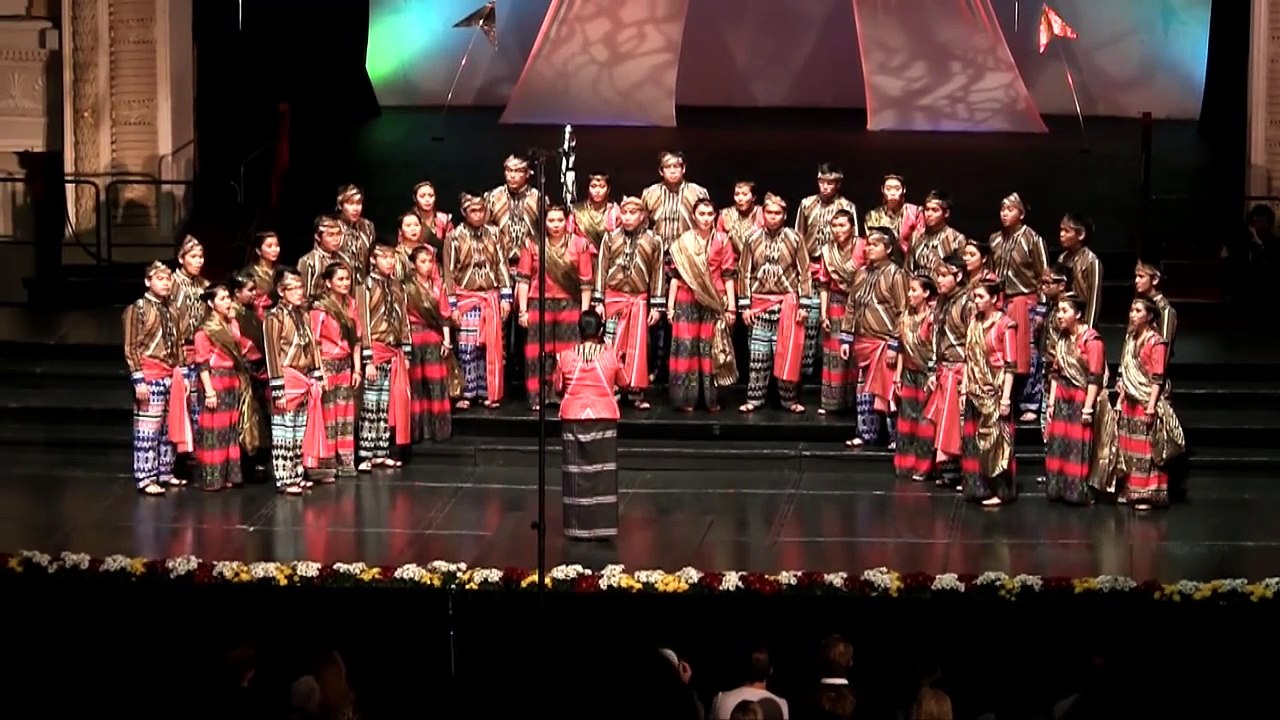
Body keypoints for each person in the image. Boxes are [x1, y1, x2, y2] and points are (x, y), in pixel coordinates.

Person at [554, 310, 627, 540]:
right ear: (601, 331)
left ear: (579, 330)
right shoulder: (610, 355)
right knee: (603, 475)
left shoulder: (565, 356)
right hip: (604, 417)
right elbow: (624, 382)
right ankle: (602, 528)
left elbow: (557, 386)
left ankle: (577, 528)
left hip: (573, 418)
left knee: (575, 476)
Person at [738, 193, 813, 414]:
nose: (772, 217)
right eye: (769, 212)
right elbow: (744, 273)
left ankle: (789, 400)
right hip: (760, 305)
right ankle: (755, 399)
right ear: (763, 213)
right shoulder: (752, 239)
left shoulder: (795, 238)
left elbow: (805, 273)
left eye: (777, 213)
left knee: (786, 355)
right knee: (758, 357)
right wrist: (745, 306)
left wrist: (804, 305)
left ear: (785, 215)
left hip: (786, 306)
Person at [515, 205, 593, 410]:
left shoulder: (580, 244)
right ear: (544, 222)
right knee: (538, 352)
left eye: (560, 220)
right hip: (539, 304)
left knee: (567, 353)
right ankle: (538, 396)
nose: (556, 225)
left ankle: (565, 395)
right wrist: (523, 310)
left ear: (567, 221)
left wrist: (584, 313)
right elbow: (523, 279)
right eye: (551, 221)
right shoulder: (532, 244)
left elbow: (586, 283)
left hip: (569, 305)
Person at [593, 195, 665, 410]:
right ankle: (611, 389)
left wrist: (657, 306)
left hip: (638, 301)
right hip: (614, 298)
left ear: (642, 215)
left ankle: (635, 392)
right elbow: (601, 269)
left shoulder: (654, 240)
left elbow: (658, 274)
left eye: (633, 213)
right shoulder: (610, 238)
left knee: (637, 347)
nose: (628, 217)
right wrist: (598, 300)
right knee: (610, 346)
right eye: (624, 212)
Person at [1113, 297, 1185, 510]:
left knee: (1146, 449)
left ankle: (1147, 494)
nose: (1132, 314)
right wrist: (1120, 399)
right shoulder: (1131, 338)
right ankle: (1129, 489)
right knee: (1128, 447)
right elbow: (1126, 373)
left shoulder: (1156, 343)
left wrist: (1152, 405)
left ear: (1150, 315)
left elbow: (1157, 378)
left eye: (1137, 310)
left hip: (1146, 401)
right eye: (1131, 310)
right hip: (1129, 402)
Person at [839, 228, 909, 447]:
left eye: (875, 245)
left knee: (887, 394)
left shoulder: (896, 274)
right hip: (863, 342)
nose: (869, 248)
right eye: (867, 244)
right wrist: (847, 337)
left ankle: (895, 437)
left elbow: (904, 311)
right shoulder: (861, 273)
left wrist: (894, 344)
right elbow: (851, 306)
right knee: (864, 392)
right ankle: (866, 434)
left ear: (888, 249)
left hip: (884, 344)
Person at [667, 197, 738, 411]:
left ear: (715, 215)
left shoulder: (723, 240)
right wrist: (670, 307)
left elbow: (728, 276)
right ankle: (686, 399)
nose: (706, 219)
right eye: (701, 214)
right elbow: (676, 277)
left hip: (713, 299)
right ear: (693, 216)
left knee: (710, 349)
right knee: (686, 348)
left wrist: (731, 307)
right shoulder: (683, 241)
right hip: (686, 297)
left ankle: (710, 399)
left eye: (710, 214)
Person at [265, 267, 331, 495]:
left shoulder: (303, 314)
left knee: (298, 431)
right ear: (281, 291)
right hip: (287, 378)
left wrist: (317, 375)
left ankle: (296, 473)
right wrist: (278, 390)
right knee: (284, 431)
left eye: (301, 287)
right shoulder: (274, 317)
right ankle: (284, 478)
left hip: (303, 378)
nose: (299, 292)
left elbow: (312, 347)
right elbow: (272, 353)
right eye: (293, 288)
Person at [445, 193, 512, 410]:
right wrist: (452, 305)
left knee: (490, 348)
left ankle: (487, 391)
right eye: (473, 211)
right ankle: (466, 392)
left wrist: (505, 297)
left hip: (490, 298)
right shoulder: (454, 237)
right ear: (464, 213)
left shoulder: (494, 233)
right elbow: (449, 273)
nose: (478, 215)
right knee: (467, 348)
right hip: (466, 299)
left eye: (481, 211)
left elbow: (501, 265)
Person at [123, 261, 184, 495]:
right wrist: (138, 379)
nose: (166, 283)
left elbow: (178, 343)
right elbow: (131, 346)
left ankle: (165, 471)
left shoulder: (173, 309)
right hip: (150, 374)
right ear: (148, 281)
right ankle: (146, 477)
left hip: (171, 374)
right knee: (148, 427)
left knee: (169, 426)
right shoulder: (137, 309)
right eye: (160, 279)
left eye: (168, 278)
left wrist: (183, 372)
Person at [192, 285, 261, 491]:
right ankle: (213, 478)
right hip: (214, 381)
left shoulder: (232, 324)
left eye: (228, 297)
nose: (228, 301)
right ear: (211, 304)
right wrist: (210, 391)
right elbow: (202, 364)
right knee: (214, 430)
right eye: (222, 298)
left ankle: (231, 475)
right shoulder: (205, 330)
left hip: (232, 379)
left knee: (231, 429)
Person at [1044, 293, 1108, 505]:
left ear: (1078, 313)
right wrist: (1051, 403)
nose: (1059, 316)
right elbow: (1056, 373)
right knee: (1059, 444)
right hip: (1062, 395)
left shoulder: (1092, 340)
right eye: (1059, 311)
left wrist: (1088, 408)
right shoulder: (1062, 339)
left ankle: (1077, 491)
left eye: (1065, 311)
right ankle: (1058, 488)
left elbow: (1094, 376)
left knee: (1077, 445)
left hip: (1081, 396)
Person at [796, 163, 859, 378]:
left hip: (840, 273)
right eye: (822, 182)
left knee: (837, 327)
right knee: (809, 323)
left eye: (830, 182)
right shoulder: (806, 204)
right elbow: (799, 240)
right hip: (812, 267)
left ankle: (836, 379)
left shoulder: (847, 207)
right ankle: (805, 376)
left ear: (838, 183)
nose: (825, 187)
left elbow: (855, 242)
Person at [358, 240, 413, 471]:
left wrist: (406, 350)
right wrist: (367, 359)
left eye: (392, 258)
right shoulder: (365, 286)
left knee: (385, 404)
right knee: (371, 405)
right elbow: (364, 323)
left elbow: (404, 320)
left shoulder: (398, 286)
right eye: (384, 257)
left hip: (393, 351)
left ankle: (381, 451)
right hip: (376, 350)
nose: (389, 262)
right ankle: (365, 454)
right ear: (373, 260)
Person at [961, 280, 1017, 506]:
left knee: (997, 442)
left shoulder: (1006, 325)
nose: (976, 302)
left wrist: (1005, 399)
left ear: (994, 299)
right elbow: (969, 358)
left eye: (981, 297)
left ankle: (1001, 490)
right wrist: (965, 385)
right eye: (974, 297)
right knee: (974, 441)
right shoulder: (974, 322)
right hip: (975, 389)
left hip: (996, 388)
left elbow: (1010, 364)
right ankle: (978, 487)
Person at [990, 193, 1048, 404]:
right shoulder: (995, 239)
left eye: (1010, 210)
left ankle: (1030, 400)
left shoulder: (1033, 239)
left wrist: (1041, 307)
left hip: (1026, 300)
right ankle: (1007, 396)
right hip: (1003, 300)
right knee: (1006, 350)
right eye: (1002, 210)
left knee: (1028, 353)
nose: (1005, 214)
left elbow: (1044, 276)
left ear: (1021, 214)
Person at [309, 262, 362, 477]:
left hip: (346, 363)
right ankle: (327, 461)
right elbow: (314, 342)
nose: (345, 283)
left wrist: (357, 369)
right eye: (340, 279)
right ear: (328, 282)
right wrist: (319, 372)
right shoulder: (320, 308)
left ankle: (346, 460)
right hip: (327, 363)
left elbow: (357, 340)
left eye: (347, 279)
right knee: (328, 413)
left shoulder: (351, 304)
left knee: (346, 413)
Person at [405, 245, 455, 442]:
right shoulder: (406, 286)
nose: (427, 266)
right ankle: (417, 431)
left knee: (437, 384)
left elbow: (444, 315)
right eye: (422, 262)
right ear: (414, 264)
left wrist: (447, 341)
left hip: (434, 337)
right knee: (416, 385)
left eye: (430, 261)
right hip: (413, 337)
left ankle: (439, 431)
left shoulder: (438, 285)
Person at [894, 275, 937, 481]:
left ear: (926, 293)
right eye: (909, 290)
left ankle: (923, 466)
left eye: (914, 290)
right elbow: (902, 347)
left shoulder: (932, 318)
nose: (910, 294)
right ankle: (906, 464)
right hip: (909, 373)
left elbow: (936, 350)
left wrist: (933, 374)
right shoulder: (905, 317)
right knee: (907, 418)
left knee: (925, 420)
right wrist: (897, 375)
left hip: (927, 375)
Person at [817, 210, 860, 416]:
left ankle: (856, 402)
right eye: (834, 226)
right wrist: (823, 313)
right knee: (834, 352)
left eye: (843, 225)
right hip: (835, 303)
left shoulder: (862, 246)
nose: (838, 230)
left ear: (852, 226)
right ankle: (833, 402)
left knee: (855, 352)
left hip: (859, 305)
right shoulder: (827, 250)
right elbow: (824, 283)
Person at [1058, 212, 1103, 327]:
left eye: (1067, 231)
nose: (1061, 234)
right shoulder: (1062, 259)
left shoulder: (1091, 261)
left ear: (1081, 234)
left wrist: (1088, 329)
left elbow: (1094, 300)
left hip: (1082, 322)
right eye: (1061, 230)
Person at [905, 191, 966, 276]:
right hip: (918, 284)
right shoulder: (916, 236)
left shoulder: (956, 239)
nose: (929, 214)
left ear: (946, 213)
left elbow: (962, 273)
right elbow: (908, 270)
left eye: (935, 210)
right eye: (927, 210)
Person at [864, 174, 923, 257]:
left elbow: (920, 242)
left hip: (909, 260)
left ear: (904, 190)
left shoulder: (915, 212)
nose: (892, 193)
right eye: (888, 189)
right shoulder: (873, 215)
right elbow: (870, 243)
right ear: (882, 189)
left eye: (897, 189)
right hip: (881, 260)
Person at [570, 172, 621, 251]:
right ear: (588, 188)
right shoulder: (577, 211)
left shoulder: (615, 211)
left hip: (609, 256)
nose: (597, 191)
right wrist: (579, 241)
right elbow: (568, 236)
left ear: (608, 189)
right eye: (593, 186)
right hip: (584, 256)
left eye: (602, 187)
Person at [336, 184, 376, 283]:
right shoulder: (333, 228)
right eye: (350, 203)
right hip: (341, 284)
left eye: (358, 203)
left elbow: (373, 256)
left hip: (364, 285)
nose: (355, 208)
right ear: (340, 205)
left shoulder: (367, 226)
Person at [410, 180, 454, 256]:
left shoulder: (444, 219)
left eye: (431, 196)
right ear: (415, 198)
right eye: (422, 196)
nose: (427, 200)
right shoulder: (409, 220)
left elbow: (452, 247)